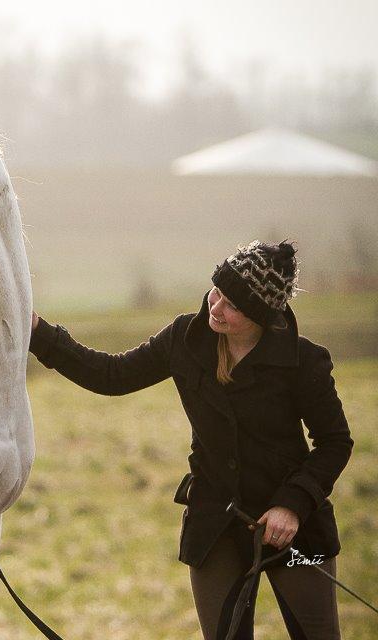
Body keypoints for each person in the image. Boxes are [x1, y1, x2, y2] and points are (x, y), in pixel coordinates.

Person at [29, 241, 353, 640]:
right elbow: (111, 376)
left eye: (233, 305)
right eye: (217, 291)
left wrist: (293, 505)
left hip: (295, 528)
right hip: (215, 522)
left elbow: (335, 442)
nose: (216, 307)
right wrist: (38, 334)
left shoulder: (305, 361)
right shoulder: (185, 336)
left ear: (261, 316)